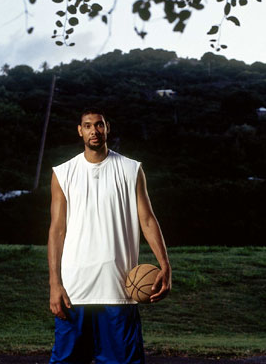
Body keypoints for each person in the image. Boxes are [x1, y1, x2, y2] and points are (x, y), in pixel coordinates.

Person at [47, 108, 171, 364]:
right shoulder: (63, 173)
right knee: (67, 361)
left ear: (107, 128)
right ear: (80, 131)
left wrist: (165, 265)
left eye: (99, 125)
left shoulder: (131, 169)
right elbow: (57, 231)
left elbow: (147, 219)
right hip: (75, 288)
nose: (94, 130)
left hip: (119, 288)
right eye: (88, 125)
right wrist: (54, 283)